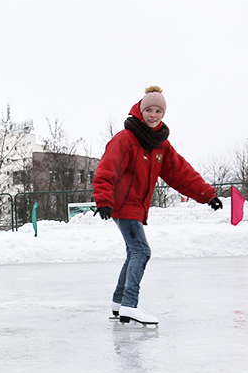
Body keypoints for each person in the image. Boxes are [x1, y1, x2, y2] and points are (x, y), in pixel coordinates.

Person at [92, 86, 222, 325]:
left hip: (135, 206)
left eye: (158, 111)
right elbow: (106, 168)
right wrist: (104, 200)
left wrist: (207, 195)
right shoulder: (126, 139)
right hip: (122, 204)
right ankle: (130, 305)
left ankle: (119, 303)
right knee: (142, 251)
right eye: (149, 110)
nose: (153, 115)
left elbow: (181, 173)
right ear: (141, 111)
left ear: (163, 114)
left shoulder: (160, 145)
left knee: (134, 251)